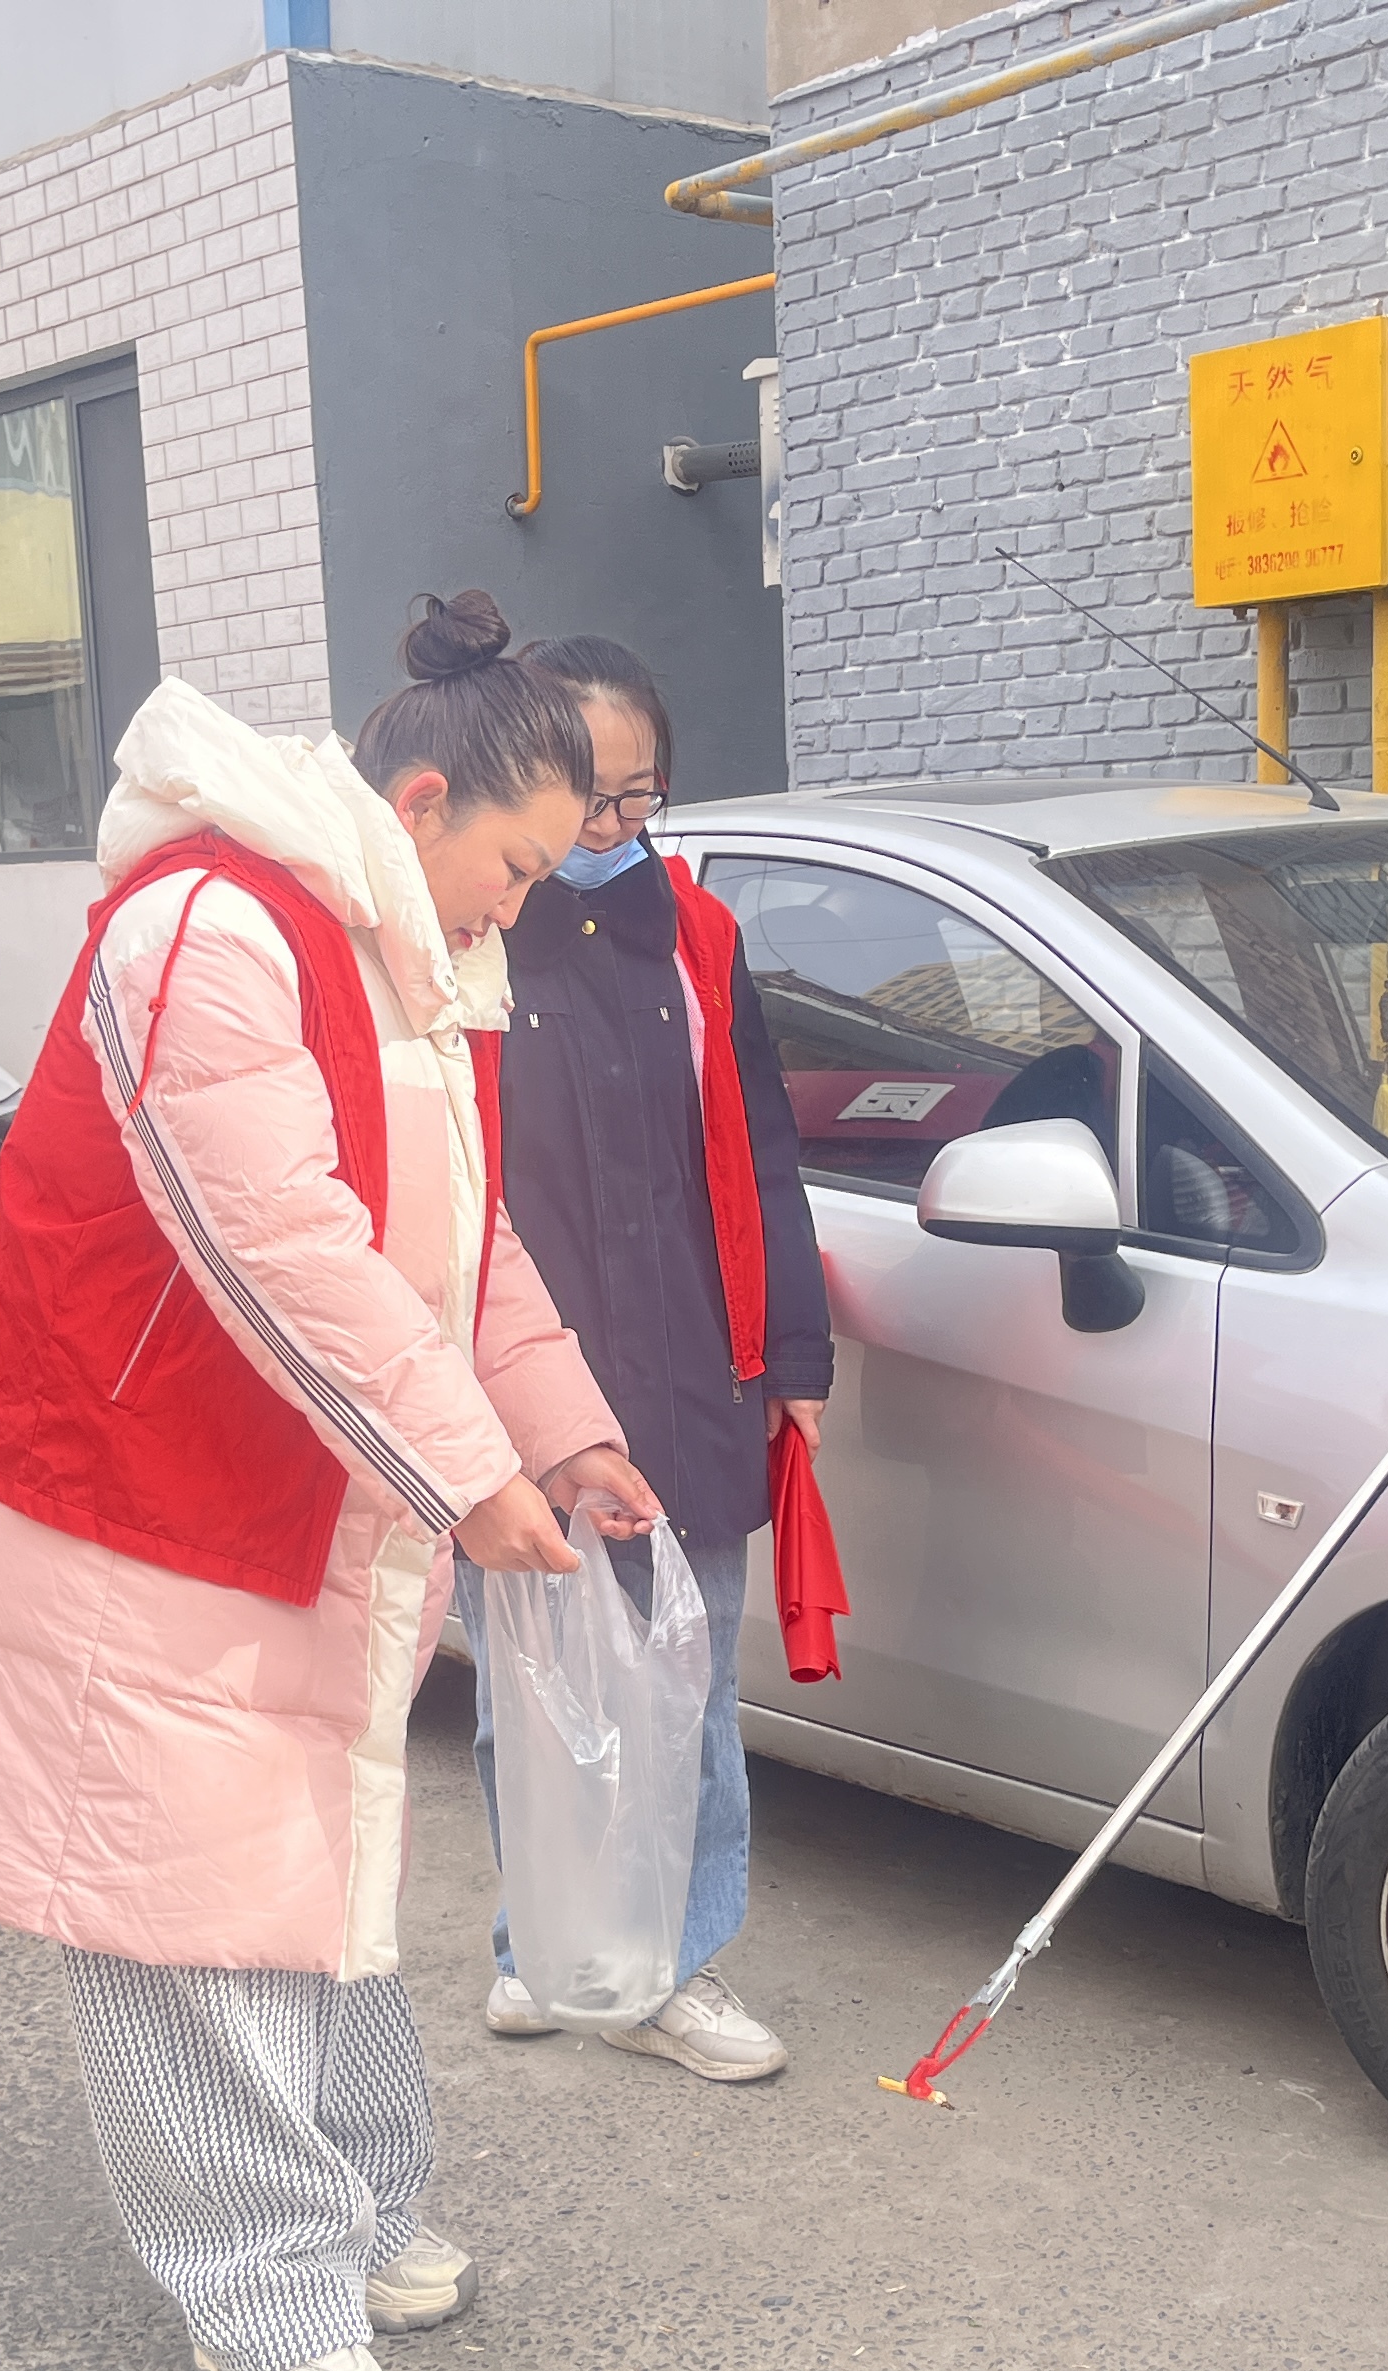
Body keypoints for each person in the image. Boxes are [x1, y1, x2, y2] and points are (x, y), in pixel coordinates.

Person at [0, 593, 662, 2371]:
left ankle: (352, 2215)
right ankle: (259, 2289)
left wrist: (560, 1432)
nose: (517, 912)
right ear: (421, 805)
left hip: (302, 1493)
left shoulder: (396, 956)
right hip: (145, 1502)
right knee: (181, 1914)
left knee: (312, 1878)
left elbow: (459, 1242)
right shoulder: (208, 931)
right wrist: (470, 1473)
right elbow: (283, 1250)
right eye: (516, 868)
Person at [459, 633, 837, 2082]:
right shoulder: (471, 938)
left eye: (640, 797)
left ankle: (676, 1960)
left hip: (688, 1361)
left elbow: (763, 1149)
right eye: (589, 802)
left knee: (687, 1684)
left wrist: (791, 1353)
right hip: (517, 1374)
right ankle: (541, 1943)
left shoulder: (700, 937)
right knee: (527, 1686)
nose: (613, 828)